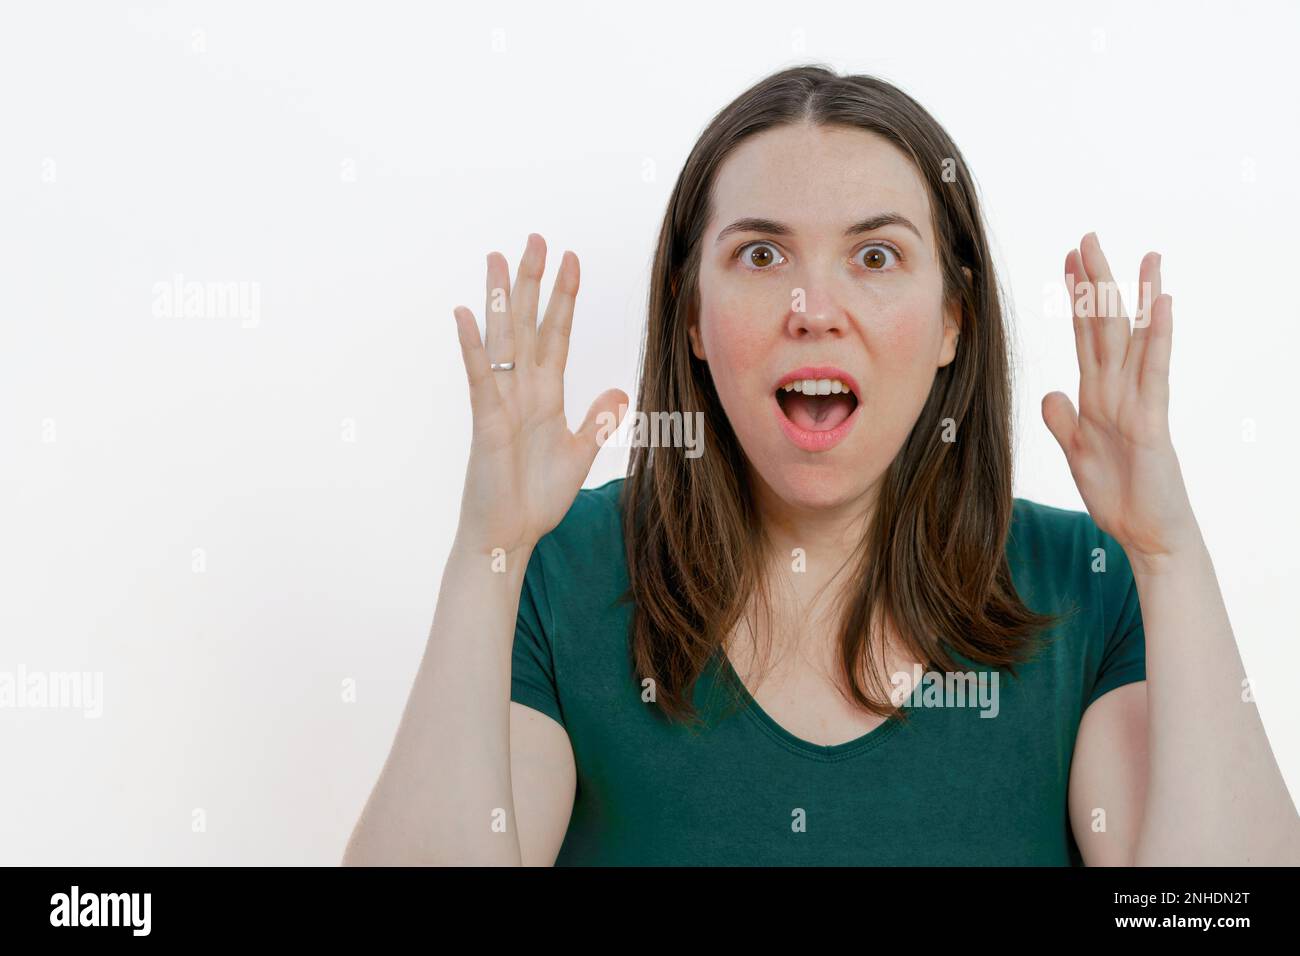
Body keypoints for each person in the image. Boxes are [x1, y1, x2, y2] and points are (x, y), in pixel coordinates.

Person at [343, 64, 1300, 866]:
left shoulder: (1090, 590)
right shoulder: (558, 572)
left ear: (951, 322)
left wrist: (1171, 559)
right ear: (692, 318)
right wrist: (487, 556)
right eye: (761, 255)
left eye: (875, 257)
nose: (812, 305)